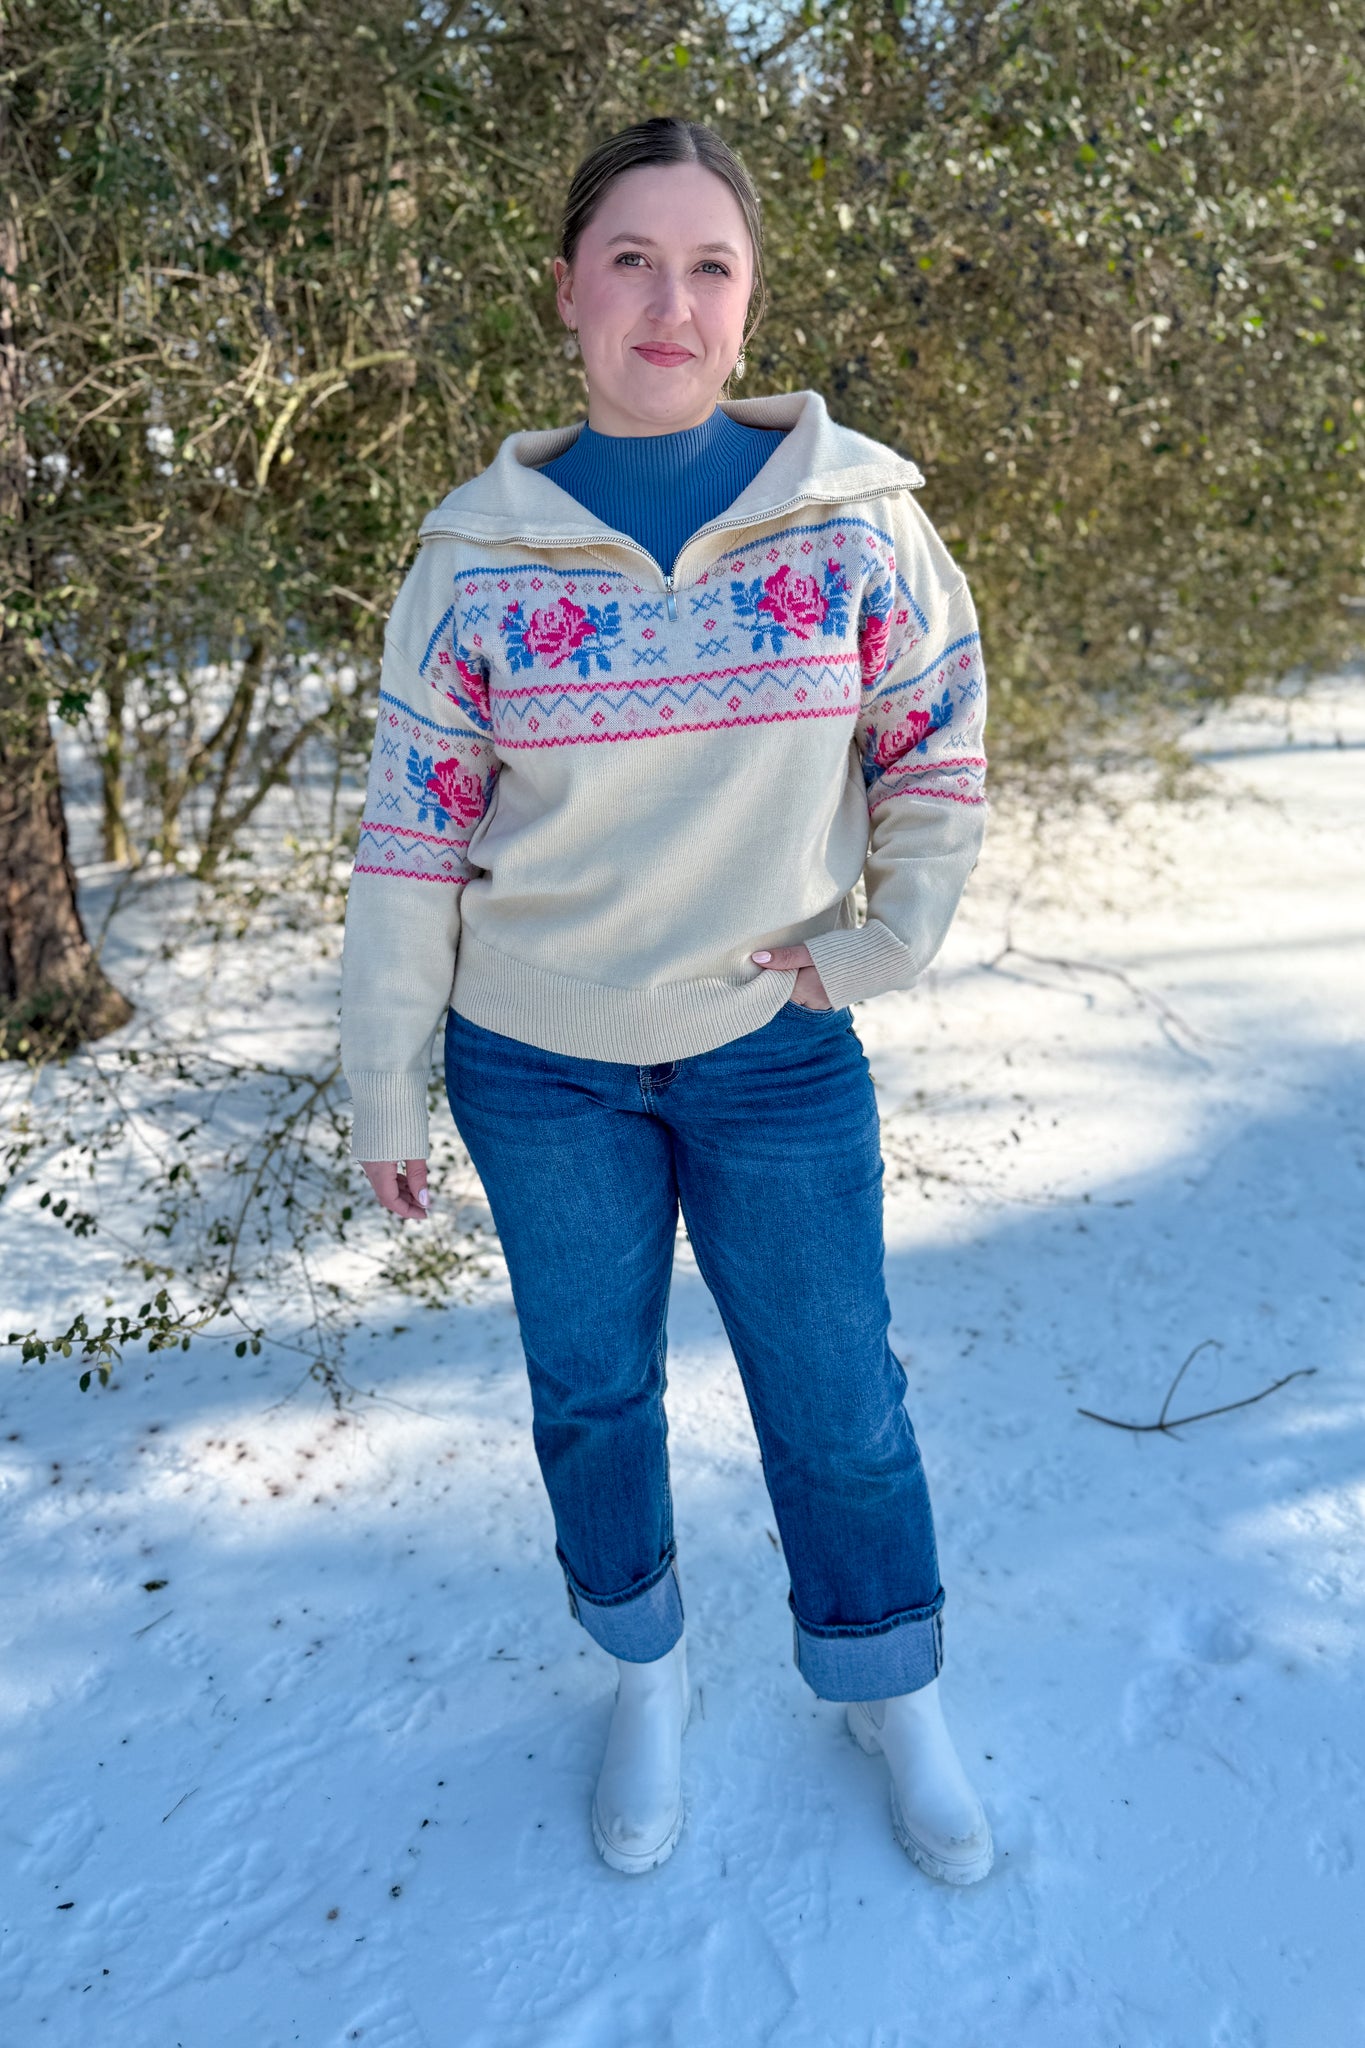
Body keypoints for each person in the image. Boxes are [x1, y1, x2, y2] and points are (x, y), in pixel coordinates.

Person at [340, 116, 993, 1884]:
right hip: (537, 1062)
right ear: (567, 290)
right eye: (630, 260)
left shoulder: (853, 522)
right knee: (590, 1393)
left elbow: (936, 752)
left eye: (709, 265)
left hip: (772, 1049)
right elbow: (410, 836)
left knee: (837, 1395)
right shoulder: (475, 555)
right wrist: (386, 1079)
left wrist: (877, 946)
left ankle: (887, 1682)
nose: (669, 301)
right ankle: (644, 1668)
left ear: (749, 297)